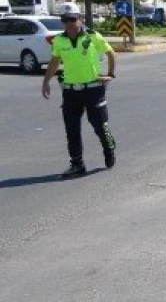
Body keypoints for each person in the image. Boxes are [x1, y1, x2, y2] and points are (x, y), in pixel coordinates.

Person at [41, 10, 117, 177]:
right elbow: (55, 61)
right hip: (70, 91)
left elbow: (110, 52)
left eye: (72, 19)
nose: (68, 23)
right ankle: (77, 164)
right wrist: (46, 81)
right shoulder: (59, 40)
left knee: (99, 125)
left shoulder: (93, 36)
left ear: (80, 20)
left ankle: (108, 148)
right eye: (65, 20)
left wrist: (110, 74)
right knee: (72, 129)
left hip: (93, 89)